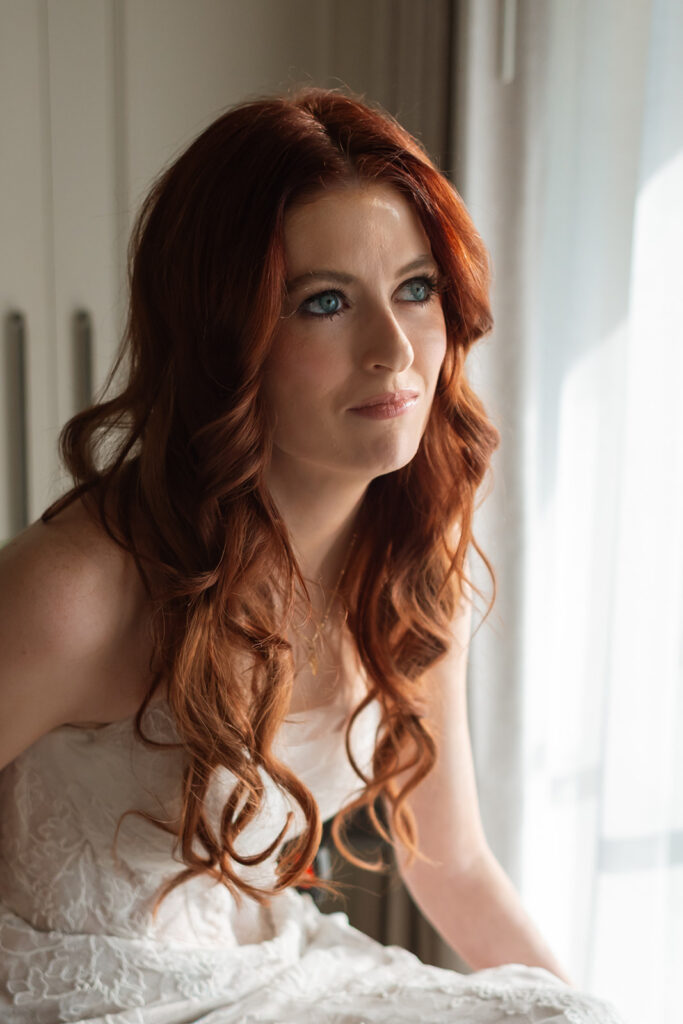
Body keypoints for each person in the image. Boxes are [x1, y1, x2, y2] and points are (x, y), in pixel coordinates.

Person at [0, 87, 626, 1023]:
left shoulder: (413, 559)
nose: (394, 352)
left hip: (268, 973)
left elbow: (450, 860)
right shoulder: (82, 590)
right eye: (323, 302)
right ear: (222, 339)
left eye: (415, 289)